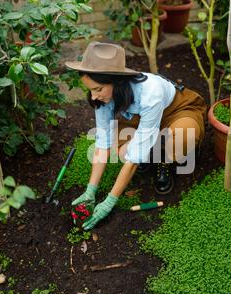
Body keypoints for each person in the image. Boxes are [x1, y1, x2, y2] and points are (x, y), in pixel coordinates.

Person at [65, 41, 207, 230]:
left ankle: (164, 158)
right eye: (90, 90)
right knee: (124, 153)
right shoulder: (104, 97)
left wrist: (109, 202)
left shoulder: (150, 94)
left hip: (175, 111)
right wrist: (90, 190)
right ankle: (153, 149)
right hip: (140, 119)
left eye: (98, 89)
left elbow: (135, 158)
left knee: (182, 139)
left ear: (117, 82)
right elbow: (103, 142)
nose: (93, 97)